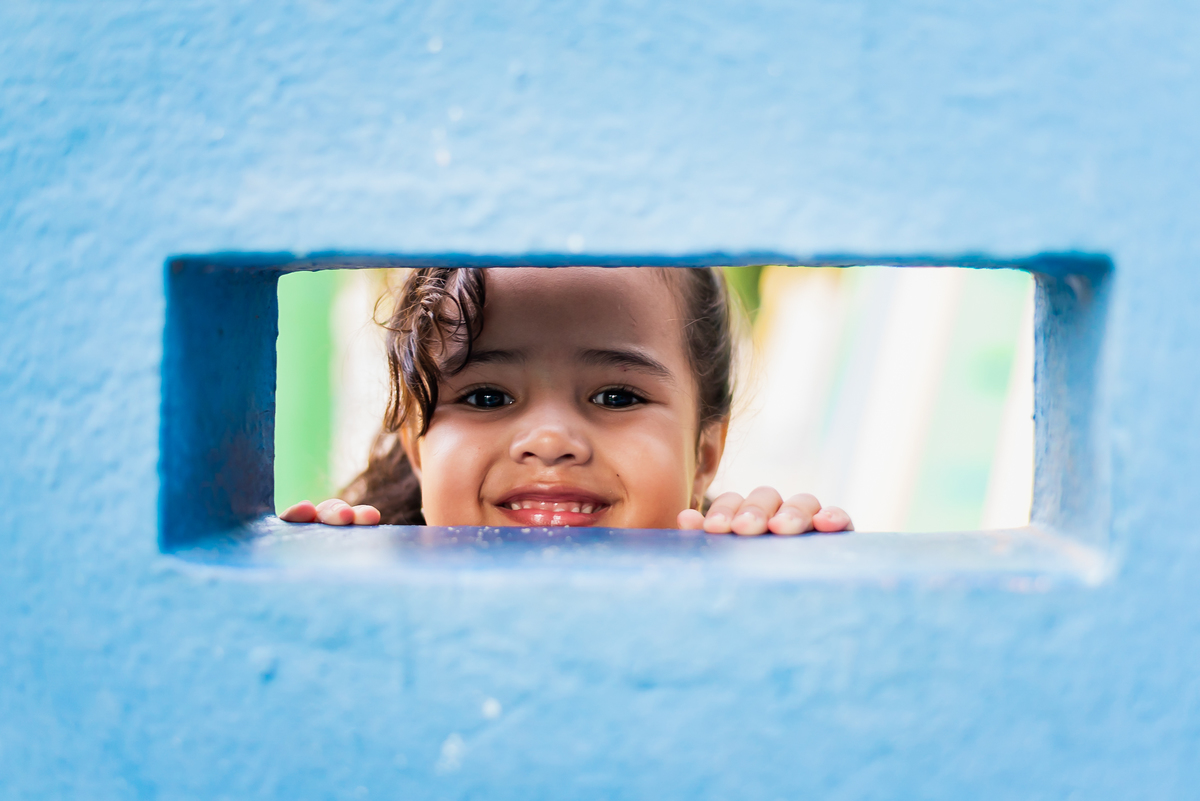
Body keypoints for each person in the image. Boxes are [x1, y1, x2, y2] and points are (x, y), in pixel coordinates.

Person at [280, 267, 852, 536]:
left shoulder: (722, 586)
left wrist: (765, 554)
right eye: (485, 396)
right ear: (418, 449)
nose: (551, 442)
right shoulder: (379, 585)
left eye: (615, 396)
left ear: (704, 454)